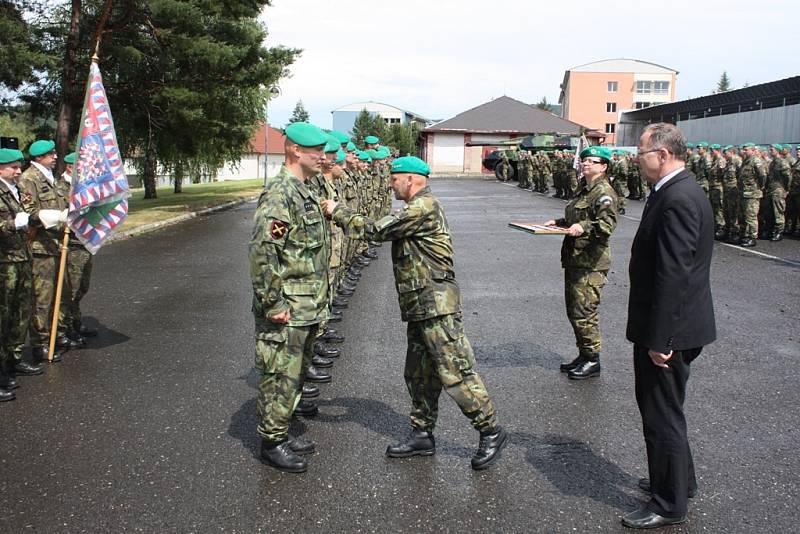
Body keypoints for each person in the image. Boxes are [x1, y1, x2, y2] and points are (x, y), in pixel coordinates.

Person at [321, 156, 507, 471]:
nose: (390, 184)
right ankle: (422, 433)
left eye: (394, 179)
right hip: (420, 305)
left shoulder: (423, 208)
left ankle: (490, 430)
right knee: (419, 373)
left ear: (411, 179)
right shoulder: (417, 207)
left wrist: (335, 210)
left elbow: (375, 230)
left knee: (455, 371)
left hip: (437, 306)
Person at [623, 123, 716, 529]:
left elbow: (673, 275)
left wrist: (661, 339)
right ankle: (679, 482)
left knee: (661, 415)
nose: (636, 160)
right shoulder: (677, 191)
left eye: (641, 153)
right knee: (668, 410)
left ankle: (669, 502)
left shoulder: (677, 199)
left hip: (669, 330)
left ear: (662, 155)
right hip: (675, 325)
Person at [248, 122, 332, 473]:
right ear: (295, 150)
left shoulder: (305, 190)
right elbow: (263, 253)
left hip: (308, 304)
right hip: (288, 308)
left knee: (295, 374)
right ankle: (271, 441)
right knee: (279, 374)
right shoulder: (280, 194)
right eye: (317, 151)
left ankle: (284, 429)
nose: (323, 158)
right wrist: (273, 304)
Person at [545, 146, 618, 380]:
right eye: (584, 160)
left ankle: (592, 360)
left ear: (603, 166)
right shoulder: (584, 189)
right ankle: (584, 354)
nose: (586, 163)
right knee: (574, 310)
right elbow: (576, 217)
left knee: (585, 311)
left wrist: (583, 227)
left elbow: (606, 227)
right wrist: (559, 222)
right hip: (575, 258)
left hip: (591, 262)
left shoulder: (604, 193)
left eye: (592, 161)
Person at [18, 139, 72, 364]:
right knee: (42, 298)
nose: (55, 157)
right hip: (41, 247)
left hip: (57, 244)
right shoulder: (29, 179)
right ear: (39, 157)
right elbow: (30, 212)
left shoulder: (52, 179)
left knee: (60, 294)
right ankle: (40, 344)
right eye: (51, 154)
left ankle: (56, 335)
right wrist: (57, 218)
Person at [0, 148, 43, 402]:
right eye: (13, 167)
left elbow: (30, 213)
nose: (19, 171)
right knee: (2, 318)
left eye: (19, 166)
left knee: (20, 314)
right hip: (4, 263)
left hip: (21, 258)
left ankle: (12, 362)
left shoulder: (13, 189)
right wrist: (12, 223)